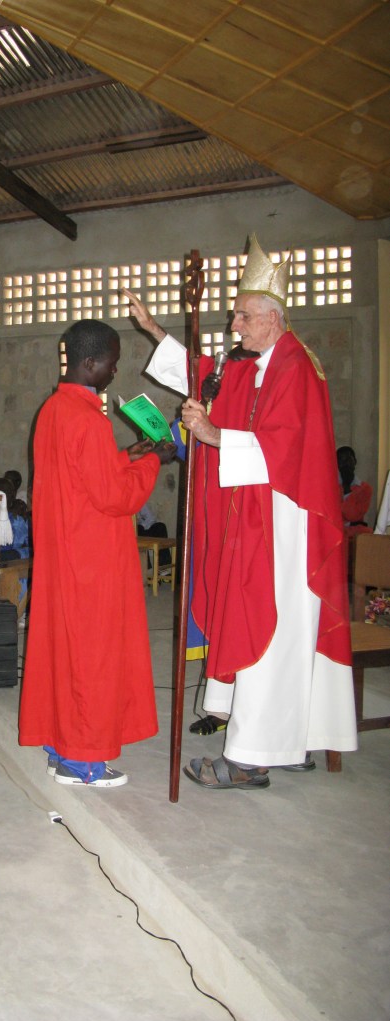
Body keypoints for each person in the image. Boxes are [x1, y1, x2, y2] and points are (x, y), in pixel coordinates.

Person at [127, 234, 357, 790]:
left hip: (282, 527)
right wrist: (159, 332)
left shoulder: (295, 369)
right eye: (234, 315)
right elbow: (211, 376)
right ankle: (288, 741)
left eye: (243, 316)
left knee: (271, 629)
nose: (235, 325)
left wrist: (213, 434)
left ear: (273, 318)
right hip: (260, 519)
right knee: (273, 632)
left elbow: (282, 447)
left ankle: (253, 756)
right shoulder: (261, 363)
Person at [19, 319, 175, 787]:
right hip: (91, 562)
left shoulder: (53, 410)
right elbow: (114, 498)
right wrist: (153, 460)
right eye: (112, 361)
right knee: (92, 657)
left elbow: (83, 476)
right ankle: (83, 761)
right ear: (91, 363)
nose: (115, 370)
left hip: (63, 554)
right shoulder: (87, 419)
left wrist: (129, 453)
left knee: (62, 652)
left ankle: (58, 744)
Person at [337, 446, 373, 537]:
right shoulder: (331, 487)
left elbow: (353, 516)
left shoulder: (365, 489)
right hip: (335, 531)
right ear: (336, 464)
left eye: (348, 459)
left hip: (356, 532)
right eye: (341, 460)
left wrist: (347, 489)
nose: (346, 464)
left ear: (355, 461)